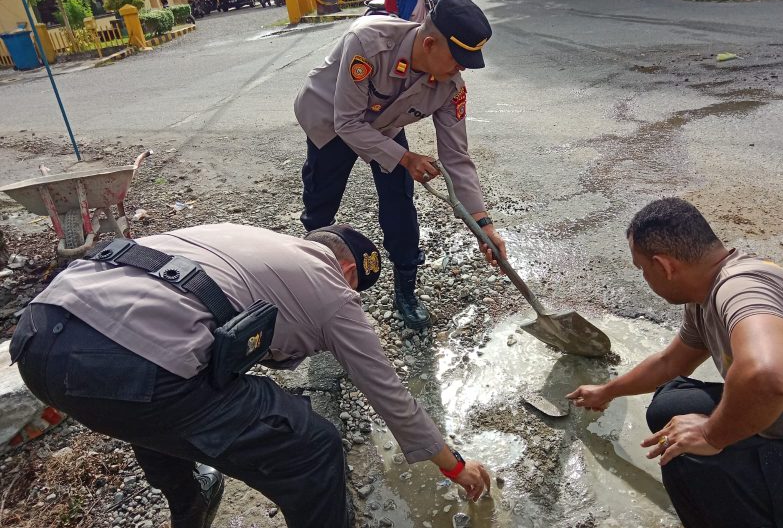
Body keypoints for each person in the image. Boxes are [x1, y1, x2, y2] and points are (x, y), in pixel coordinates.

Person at [9, 223, 491, 528]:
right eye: (355, 288)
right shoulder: (332, 289)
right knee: (314, 446)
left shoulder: (247, 238)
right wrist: (453, 465)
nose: (352, 299)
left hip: (39, 336)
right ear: (347, 271)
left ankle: (190, 503)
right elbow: (388, 393)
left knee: (161, 390)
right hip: (130, 367)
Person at [567, 198, 783, 528]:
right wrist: (607, 391)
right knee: (671, 404)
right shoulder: (706, 292)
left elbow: (769, 374)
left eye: (642, 269)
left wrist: (711, 434)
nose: (644, 277)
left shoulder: (739, 290)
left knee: (681, 453)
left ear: (664, 266)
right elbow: (669, 362)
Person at [294, 0, 507, 332]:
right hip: (330, 119)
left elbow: (456, 156)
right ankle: (314, 277)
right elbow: (347, 123)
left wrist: (483, 226)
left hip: (384, 125)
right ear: (429, 44)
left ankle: (406, 290)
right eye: (458, 59)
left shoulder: (450, 86)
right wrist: (406, 157)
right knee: (320, 203)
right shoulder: (368, 43)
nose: (462, 68)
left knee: (400, 204)